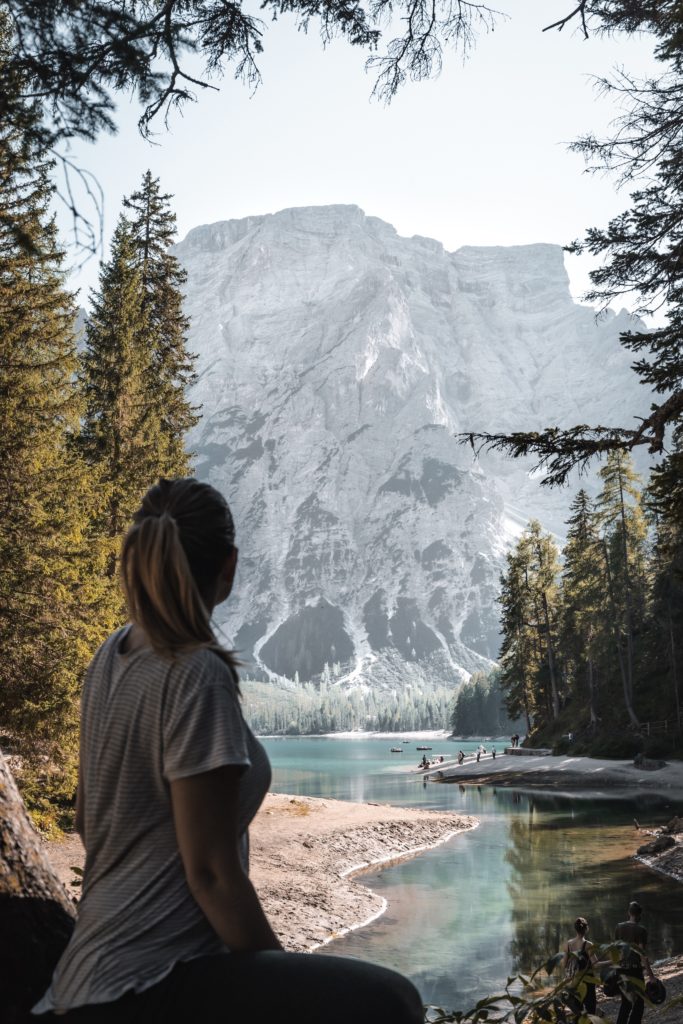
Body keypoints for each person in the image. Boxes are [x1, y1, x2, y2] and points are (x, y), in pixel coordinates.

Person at [33, 479, 423, 1024]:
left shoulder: (111, 654)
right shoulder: (196, 672)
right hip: (154, 980)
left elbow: (83, 820)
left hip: (85, 977)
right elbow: (212, 874)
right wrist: (284, 987)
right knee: (393, 1002)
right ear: (229, 566)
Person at [614, 901, 653, 1024]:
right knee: (639, 1003)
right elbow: (642, 954)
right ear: (639, 915)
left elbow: (617, 950)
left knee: (625, 1003)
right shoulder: (641, 930)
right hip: (635, 970)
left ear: (628, 913)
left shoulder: (619, 927)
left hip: (621, 969)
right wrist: (651, 976)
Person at [563, 917, 597, 1015]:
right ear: (586, 929)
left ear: (575, 929)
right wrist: (612, 962)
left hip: (574, 981)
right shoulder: (588, 945)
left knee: (577, 1011)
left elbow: (564, 965)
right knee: (591, 1011)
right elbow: (596, 965)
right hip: (587, 981)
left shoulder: (568, 944)